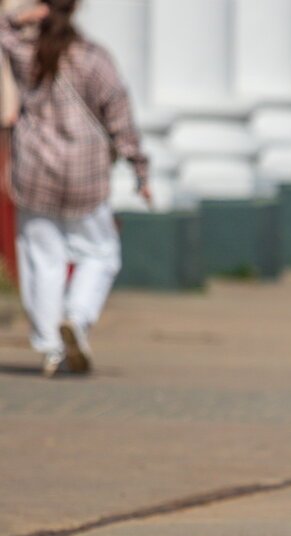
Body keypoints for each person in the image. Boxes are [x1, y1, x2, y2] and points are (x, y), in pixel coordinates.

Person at [0, 0, 150, 377]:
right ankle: (77, 318)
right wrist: (139, 168)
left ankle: (50, 347)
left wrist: (16, 17)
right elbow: (118, 113)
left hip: (34, 168)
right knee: (100, 253)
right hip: (86, 172)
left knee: (40, 258)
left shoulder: (23, 50)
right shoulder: (93, 58)